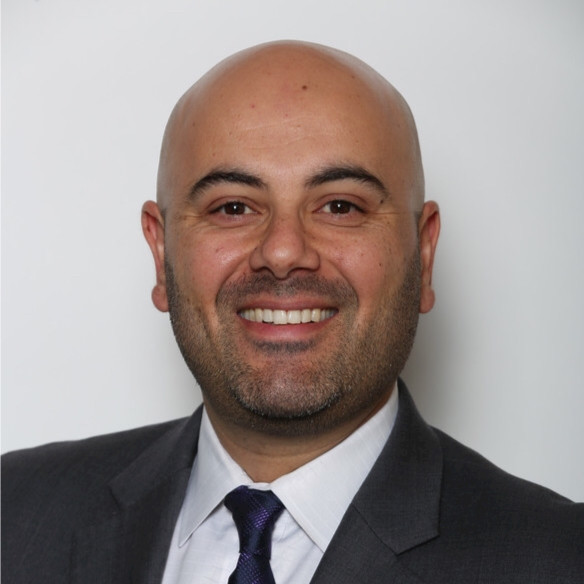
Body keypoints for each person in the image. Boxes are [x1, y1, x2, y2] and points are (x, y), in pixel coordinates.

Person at [2, 41, 582, 584]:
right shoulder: (14, 515)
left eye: (340, 206)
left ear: (423, 254)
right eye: (233, 207)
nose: (282, 252)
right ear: (161, 252)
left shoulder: (558, 559)